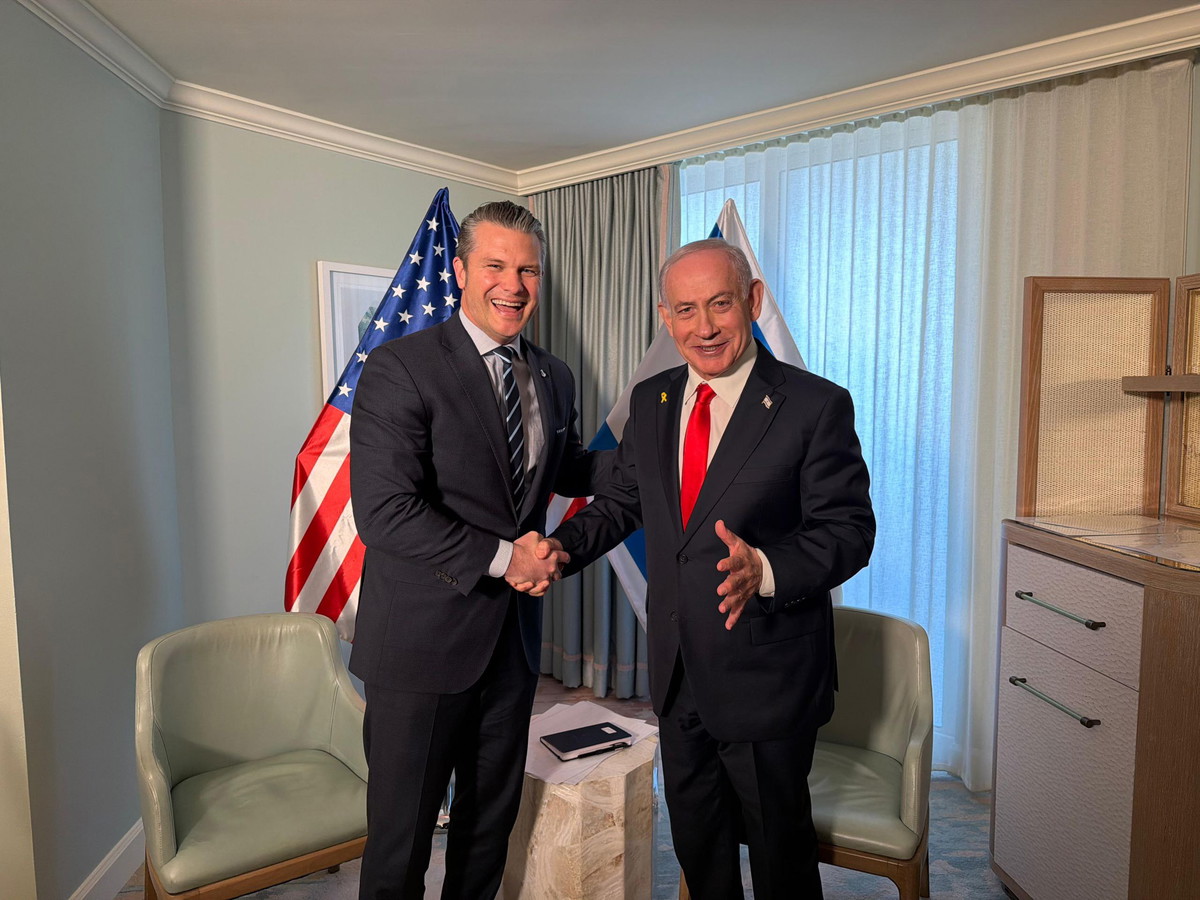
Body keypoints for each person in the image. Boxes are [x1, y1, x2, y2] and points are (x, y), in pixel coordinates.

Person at [541, 238, 875, 899]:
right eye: (687, 310)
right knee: (698, 844)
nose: (705, 327)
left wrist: (767, 568)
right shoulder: (652, 401)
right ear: (666, 318)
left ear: (752, 300)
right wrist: (560, 549)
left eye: (720, 304)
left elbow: (849, 532)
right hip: (677, 671)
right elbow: (624, 501)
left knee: (780, 858)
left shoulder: (815, 405)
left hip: (768, 678)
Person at [348, 201, 608, 899]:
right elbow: (385, 512)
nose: (513, 286)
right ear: (461, 270)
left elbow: (563, 468)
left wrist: (657, 454)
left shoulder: (553, 375)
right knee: (401, 843)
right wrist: (507, 557)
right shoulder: (400, 367)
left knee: (487, 827)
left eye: (529, 270)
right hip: (419, 649)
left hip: (511, 646)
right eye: (496, 266)